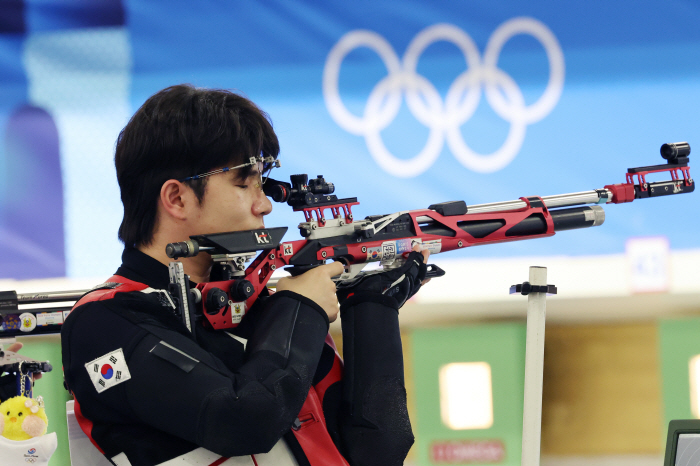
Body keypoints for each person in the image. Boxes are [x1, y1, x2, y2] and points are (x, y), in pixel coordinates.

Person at [60, 84, 428, 466]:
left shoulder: (263, 308)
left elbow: (381, 448)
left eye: (263, 182)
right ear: (176, 199)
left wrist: (373, 306)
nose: (265, 203)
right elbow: (243, 420)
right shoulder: (101, 322)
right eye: (244, 181)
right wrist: (300, 305)